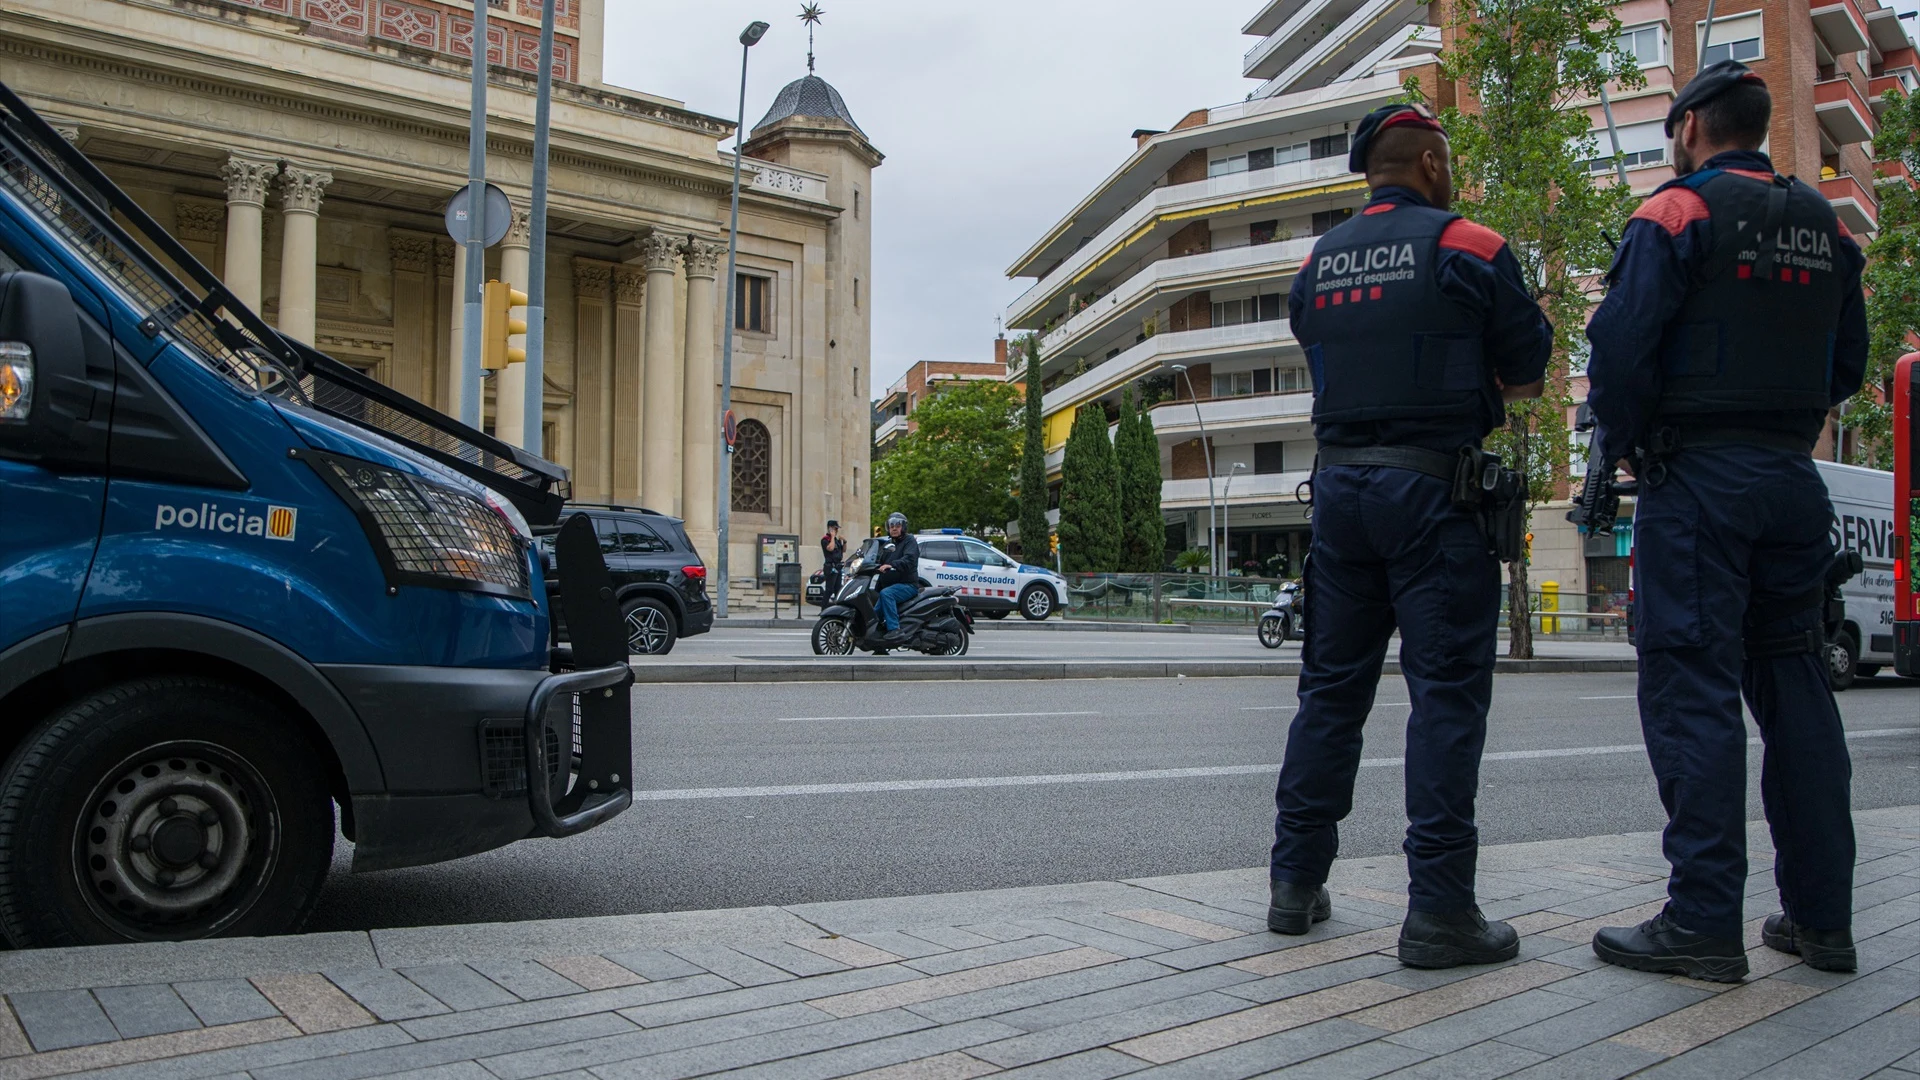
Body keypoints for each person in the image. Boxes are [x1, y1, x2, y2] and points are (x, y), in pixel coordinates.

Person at [1584, 61, 1866, 981]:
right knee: (1794, 688)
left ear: (1692, 126)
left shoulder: (1676, 213)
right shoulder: (1825, 223)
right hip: (1792, 477)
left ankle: (1703, 922)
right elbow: (1849, 363)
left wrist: (1629, 444)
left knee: (1692, 690)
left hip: (1700, 482)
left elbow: (1621, 347)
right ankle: (1822, 921)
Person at [1268, 102, 1552, 969]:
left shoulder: (1320, 261)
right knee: (1446, 701)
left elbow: (1315, 341)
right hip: (1436, 497)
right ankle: (1438, 911)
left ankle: (1293, 884)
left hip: (1342, 496)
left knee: (1331, 695)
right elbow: (1531, 369)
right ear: (1430, 162)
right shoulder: (1469, 245)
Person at [874, 512, 919, 646]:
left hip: (907, 585)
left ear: (903, 527)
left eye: (897, 525)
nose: (894, 528)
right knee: (875, 614)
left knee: (887, 594)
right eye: (891, 525)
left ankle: (895, 629)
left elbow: (909, 559)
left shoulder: (910, 541)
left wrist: (892, 564)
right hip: (890, 585)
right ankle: (878, 643)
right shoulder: (889, 544)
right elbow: (879, 560)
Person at [821, 519, 846, 601]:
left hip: (838, 567)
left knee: (838, 589)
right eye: (835, 528)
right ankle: (823, 608)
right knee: (829, 590)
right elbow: (830, 548)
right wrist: (832, 536)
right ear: (830, 528)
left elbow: (843, 550)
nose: (836, 530)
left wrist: (844, 542)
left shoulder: (836, 540)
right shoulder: (826, 539)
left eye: (837, 529)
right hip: (830, 567)